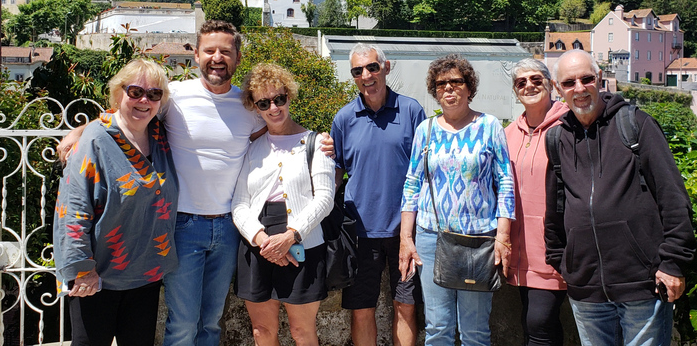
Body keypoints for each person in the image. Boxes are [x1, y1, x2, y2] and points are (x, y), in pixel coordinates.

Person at [57, 20, 334, 346]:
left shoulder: (248, 106)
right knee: (183, 325)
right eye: (210, 50)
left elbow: (279, 129)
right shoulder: (175, 97)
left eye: (225, 51)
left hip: (229, 229)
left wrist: (318, 140)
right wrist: (82, 130)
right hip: (182, 226)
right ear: (196, 55)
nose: (217, 57)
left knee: (211, 324)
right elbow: (131, 110)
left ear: (237, 57)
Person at [545, 50, 696, 346]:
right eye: (568, 82)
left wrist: (673, 263)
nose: (579, 88)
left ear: (599, 78)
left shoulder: (636, 125)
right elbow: (555, 212)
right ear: (557, 88)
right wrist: (563, 264)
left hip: (643, 285)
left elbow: (673, 198)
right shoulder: (557, 140)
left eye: (586, 78)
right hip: (586, 290)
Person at [53, 58, 178, 346]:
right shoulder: (96, 140)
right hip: (98, 278)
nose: (144, 100)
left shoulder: (158, 134)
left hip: (145, 274)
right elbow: (74, 211)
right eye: (135, 92)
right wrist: (82, 271)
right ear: (118, 93)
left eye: (154, 94)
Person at [400, 54, 514, 346]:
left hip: (478, 240)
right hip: (431, 237)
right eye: (441, 84)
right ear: (434, 90)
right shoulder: (425, 131)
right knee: (438, 327)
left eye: (456, 81)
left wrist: (503, 237)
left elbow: (505, 183)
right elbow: (412, 184)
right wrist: (406, 239)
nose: (448, 89)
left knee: (475, 331)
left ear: (469, 87)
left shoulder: (489, 126)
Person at [231, 63, 335, 346]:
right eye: (264, 103)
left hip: (303, 244)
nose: (273, 108)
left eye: (279, 99)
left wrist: (291, 236)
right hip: (257, 245)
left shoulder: (315, 143)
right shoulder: (252, 148)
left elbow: (325, 197)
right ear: (255, 107)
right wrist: (264, 241)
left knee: (302, 332)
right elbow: (240, 203)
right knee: (262, 331)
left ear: (289, 96)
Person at [331, 43, 426, 346]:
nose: (366, 75)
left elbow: (425, 170)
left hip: (406, 232)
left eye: (372, 67)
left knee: (406, 306)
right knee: (361, 310)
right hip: (359, 232)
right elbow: (333, 173)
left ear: (386, 67)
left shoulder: (411, 111)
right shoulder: (344, 119)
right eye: (358, 71)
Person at [504, 58, 569, 346]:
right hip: (517, 251)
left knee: (539, 322)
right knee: (532, 323)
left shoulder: (569, 126)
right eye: (521, 82)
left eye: (535, 79)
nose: (528, 85)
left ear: (550, 83)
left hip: (554, 250)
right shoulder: (507, 134)